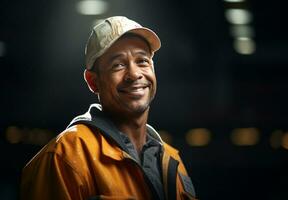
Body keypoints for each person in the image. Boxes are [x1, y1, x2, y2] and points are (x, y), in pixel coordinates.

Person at [21, 16, 197, 200]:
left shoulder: (172, 160)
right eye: (118, 65)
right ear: (93, 82)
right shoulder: (64, 156)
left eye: (142, 61)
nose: (134, 74)